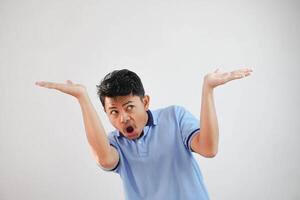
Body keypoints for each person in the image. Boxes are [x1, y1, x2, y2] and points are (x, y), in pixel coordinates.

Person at [35, 68, 253, 200]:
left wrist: (208, 90)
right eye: (114, 112)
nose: (123, 118)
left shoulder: (174, 118)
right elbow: (104, 158)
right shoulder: (115, 144)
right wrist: (82, 97)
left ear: (145, 102)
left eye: (129, 107)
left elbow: (208, 148)